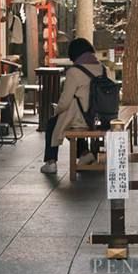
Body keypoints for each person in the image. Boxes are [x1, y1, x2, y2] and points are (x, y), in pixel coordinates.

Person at [39, 38, 108, 174]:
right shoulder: (104, 69)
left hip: (82, 118)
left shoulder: (74, 72)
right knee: (69, 120)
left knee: (55, 122)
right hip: (100, 117)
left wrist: (56, 109)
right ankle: (84, 154)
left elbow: (65, 101)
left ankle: (51, 162)